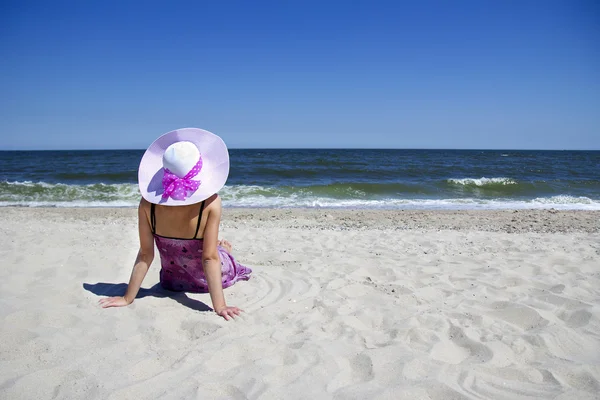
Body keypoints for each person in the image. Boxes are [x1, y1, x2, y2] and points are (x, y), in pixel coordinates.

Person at [99, 128, 252, 321]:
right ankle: (226, 252)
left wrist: (127, 297)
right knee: (218, 252)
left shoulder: (148, 205)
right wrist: (219, 306)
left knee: (212, 249)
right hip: (208, 281)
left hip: (172, 282)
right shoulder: (211, 203)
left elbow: (146, 254)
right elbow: (209, 259)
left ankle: (223, 249)